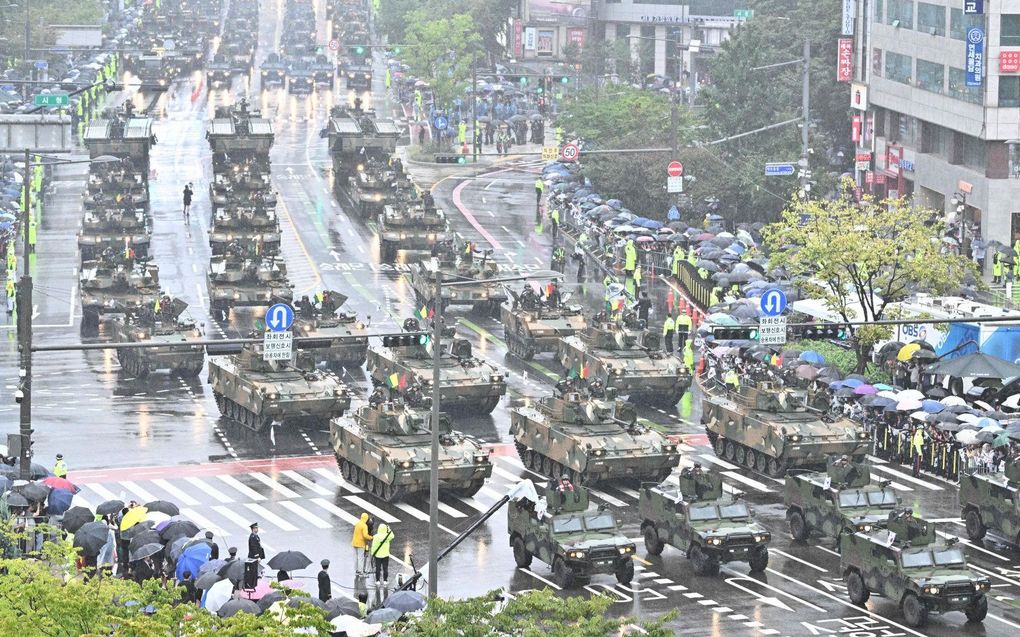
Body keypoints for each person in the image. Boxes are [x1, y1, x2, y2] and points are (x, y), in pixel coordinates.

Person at [370, 522, 394, 587]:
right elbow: (392, 535)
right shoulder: (387, 536)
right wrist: (388, 529)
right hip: (385, 555)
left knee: (378, 568)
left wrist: (372, 554)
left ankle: (377, 580)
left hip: (378, 555)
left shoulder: (375, 537)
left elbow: (374, 546)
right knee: (385, 568)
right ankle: (385, 580)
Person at [246, 522, 264, 589]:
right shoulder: (252, 537)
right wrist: (257, 557)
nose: (257, 529)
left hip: (257, 556)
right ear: (253, 529)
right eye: (256, 528)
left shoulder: (256, 536)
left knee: (256, 570)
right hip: (253, 557)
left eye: (257, 528)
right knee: (254, 571)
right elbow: (253, 548)